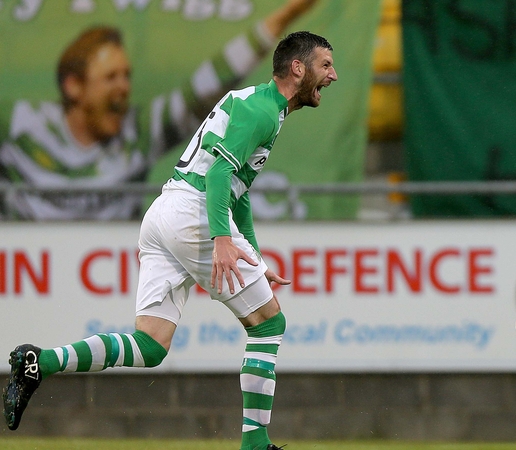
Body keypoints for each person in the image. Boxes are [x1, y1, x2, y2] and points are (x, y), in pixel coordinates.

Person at [2, 30, 338, 450]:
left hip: (165, 211)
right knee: (269, 323)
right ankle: (255, 443)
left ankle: (39, 362)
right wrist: (221, 239)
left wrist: (250, 251)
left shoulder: (258, 103)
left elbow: (239, 189)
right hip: (194, 212)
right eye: (326, 65)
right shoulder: (263, 112)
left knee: (150, 345)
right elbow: (218, 176)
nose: (334, 75)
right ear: (298, 68)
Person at [0, 0, 317, 221]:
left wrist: (288, 14)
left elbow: (206, 86)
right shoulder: (18, 124)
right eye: (111, 77)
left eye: (127, 76)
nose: (124, 87)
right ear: (73, 85)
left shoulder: (135, 132)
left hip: (114, 272)